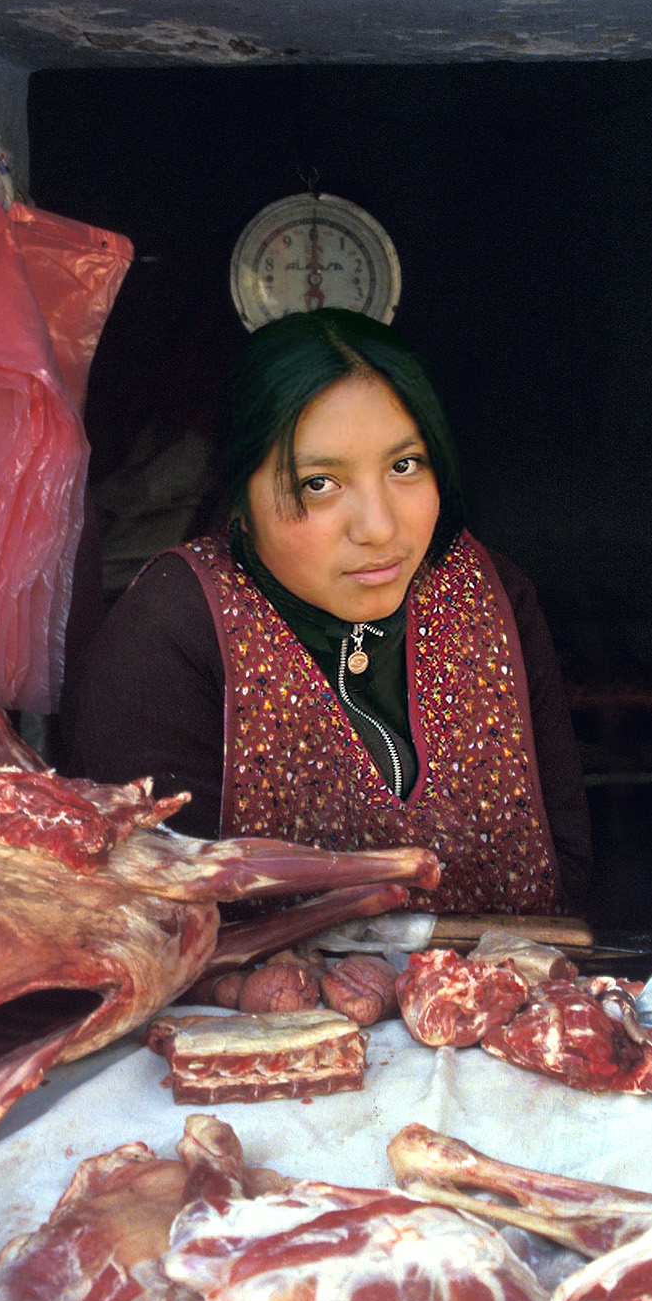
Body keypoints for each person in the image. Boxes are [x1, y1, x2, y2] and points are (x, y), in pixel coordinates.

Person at [64, 307, 591, 915]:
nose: (378, 527)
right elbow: (153, 908)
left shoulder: (491, 599)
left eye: (404, 466)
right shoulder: (175, 624)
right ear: (240, 494)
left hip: (508, 1002)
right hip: (261, 1010)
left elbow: (567, 874)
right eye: (319, 483)